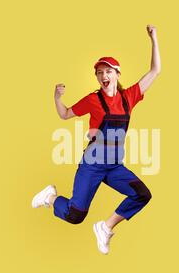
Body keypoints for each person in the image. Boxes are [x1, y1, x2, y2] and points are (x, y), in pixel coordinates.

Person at [32, 25, 161, 255]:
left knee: (142, 194)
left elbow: (155, 70)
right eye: (100, 72)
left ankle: (105, 227)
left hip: (114, 166)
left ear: (117, 74)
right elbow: (65, 114)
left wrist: (154, 38)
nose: (104, 76)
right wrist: (57, 97)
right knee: (75, 215)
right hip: (92, 165)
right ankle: (49, 196)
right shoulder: (93, 100)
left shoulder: (128, 97)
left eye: (108, 71)